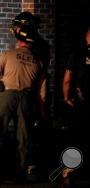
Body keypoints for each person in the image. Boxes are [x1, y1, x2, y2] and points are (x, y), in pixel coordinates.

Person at [0, 15, 47, 184]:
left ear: (19, 40)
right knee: (23, 138)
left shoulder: (7, 54)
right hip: (27, 99)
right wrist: (41, 109)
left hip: (7, 96)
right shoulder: (38, 62)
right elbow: (42, 90)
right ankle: (20, 175)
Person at [62, 26, 90, 187]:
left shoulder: (78, 54)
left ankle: (69, 170)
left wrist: (66, 97)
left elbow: (67, 79)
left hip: (81, 103)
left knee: (75, 138)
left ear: (87, 36)